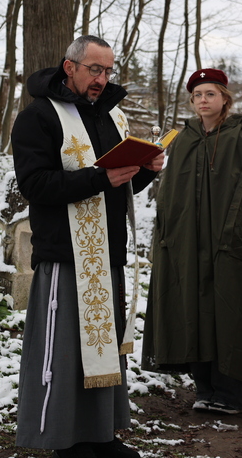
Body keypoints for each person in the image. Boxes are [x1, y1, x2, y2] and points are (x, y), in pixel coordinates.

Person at [12, 35, 163, 458]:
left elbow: (117, 184)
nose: (102, 78)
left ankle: (99, 436)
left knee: (101, 353)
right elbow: (35, 185)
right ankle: (63, 439)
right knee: (65, 354)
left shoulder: (110, 117)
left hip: (106, 254)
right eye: (94, 69)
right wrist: (100, 178)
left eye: (109, 70)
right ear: (69, 67)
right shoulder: (39, 116)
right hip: (65, 256)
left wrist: (146, 169)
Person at [142, 68, 242, 415]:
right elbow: (170, 194)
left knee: (229, 309)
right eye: (197, 95)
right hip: (188, 243)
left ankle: (232, 394)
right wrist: (168, 235)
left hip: (231, 242)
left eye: (210, 94)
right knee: (195, 309)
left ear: (224, 98)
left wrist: (236, 232)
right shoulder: (183, 139)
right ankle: (206, 388)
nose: (202, 101)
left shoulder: (240, 136)